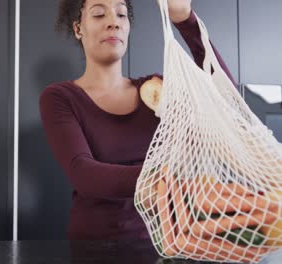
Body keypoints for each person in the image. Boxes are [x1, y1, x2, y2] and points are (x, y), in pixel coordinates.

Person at [39, 0, 235, 241]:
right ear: (79, 28)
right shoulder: (60, 97)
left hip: (166, 244)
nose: (114, 23)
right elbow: (84, 173)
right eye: (99, 15)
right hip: (93, 248)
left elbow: (226, 100)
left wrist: (185, 19)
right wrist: (167, 180)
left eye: (121, 15)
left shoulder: (157, 90)